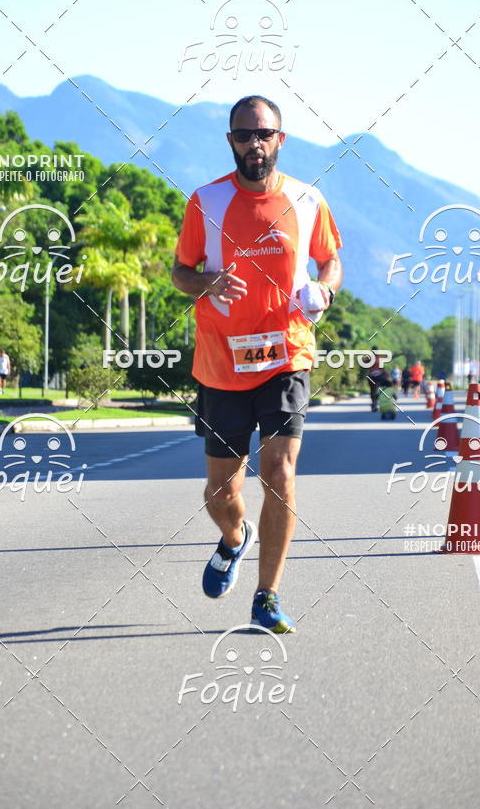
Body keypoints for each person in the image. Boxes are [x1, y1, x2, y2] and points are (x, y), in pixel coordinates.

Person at [172, 95, 343, 633]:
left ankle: (267, 596)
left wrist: (325, 290)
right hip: (223, 363)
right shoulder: (206, 202)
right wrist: (207, 282)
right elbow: (180, 272)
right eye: (244, 135)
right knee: (221, 495)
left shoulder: (307, 199)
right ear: (231, 142)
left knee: (279, 473)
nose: (254, 144)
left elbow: (331, 259)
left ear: (280, 140)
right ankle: (233, 538)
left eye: (263, 134)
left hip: (286, 356)